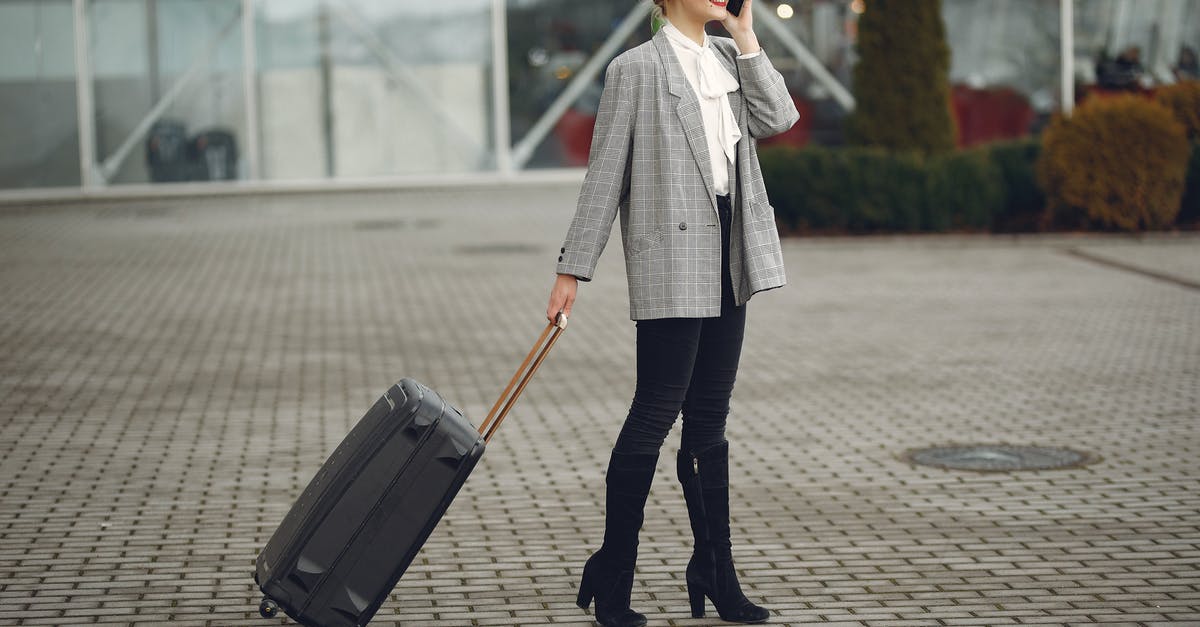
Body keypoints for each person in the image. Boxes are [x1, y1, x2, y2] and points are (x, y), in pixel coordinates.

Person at [545, 0, 798, 624]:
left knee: (710, 416)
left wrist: (746, 38)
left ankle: (714, 570)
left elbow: (779, 117)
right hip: (672, 259)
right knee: (656, 409)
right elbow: (605, 174)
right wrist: (572, 269)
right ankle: (615, 576)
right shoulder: (634, 70)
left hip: (729, 253)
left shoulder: (727, 60)